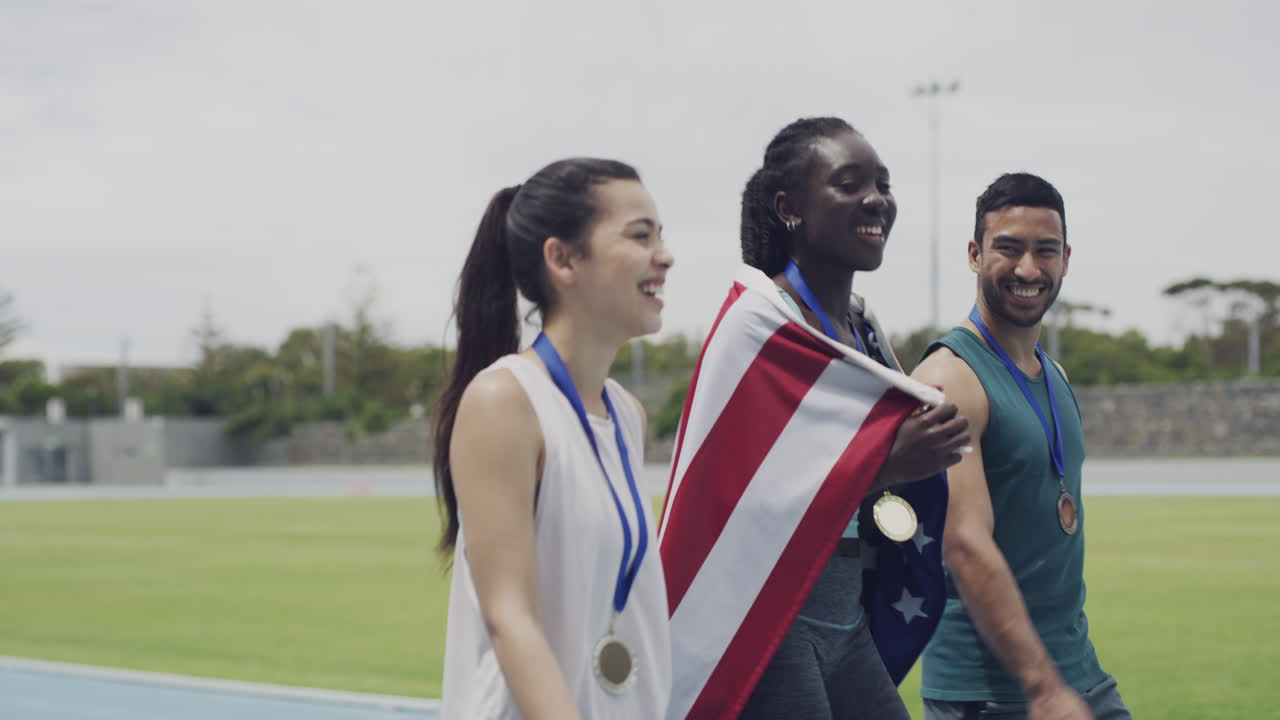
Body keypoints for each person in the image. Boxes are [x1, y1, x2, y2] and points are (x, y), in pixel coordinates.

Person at [659, 117, 969, 720]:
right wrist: (886, 463)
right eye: (849, 184)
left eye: (882, 182)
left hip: (845, 613)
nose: (876, 199)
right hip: (772, 621)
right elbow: (735, 505)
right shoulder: (755, 325)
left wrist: (921, 450)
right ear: (790, 208)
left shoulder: (864, 327)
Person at [436, 158, 674, 719]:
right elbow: (508, 616)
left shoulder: (626, 414)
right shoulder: (504, 401)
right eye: (640, 237)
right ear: (562, 258)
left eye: (662, 237)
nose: (665, 256)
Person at [913, 173, 1131, 720]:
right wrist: (1041, 687)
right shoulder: (950, 378)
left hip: (1077, 673)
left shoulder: (1052, 371)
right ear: (973, 253)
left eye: (1045, 251)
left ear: (1066, 257)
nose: (1029, 269)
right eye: (1008, 249)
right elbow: (964, 544)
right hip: (993, 692)